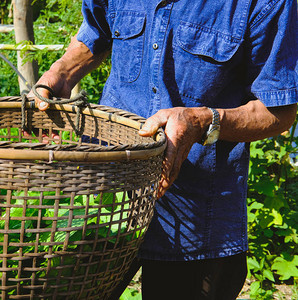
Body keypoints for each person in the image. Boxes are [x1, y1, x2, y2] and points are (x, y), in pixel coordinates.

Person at [31, 0, 298, 299]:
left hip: (196, 216)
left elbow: (279, 112)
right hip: (108, 200)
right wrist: (59, 74)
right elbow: (95, 33)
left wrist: (201, 120)